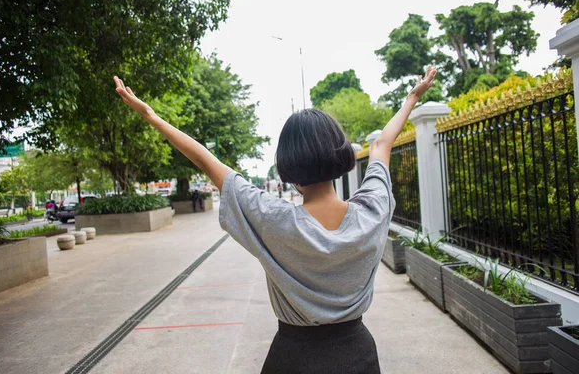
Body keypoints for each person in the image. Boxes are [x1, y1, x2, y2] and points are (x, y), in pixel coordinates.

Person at [113, 66, 436, 374]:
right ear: (341, 157)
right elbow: (381, 143)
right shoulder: (373, 211)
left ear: (288, 167)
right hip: (357, 353)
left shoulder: (273, 220)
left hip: (293, 356)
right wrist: (411, 99)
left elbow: (205, 159)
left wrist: (150, 115)